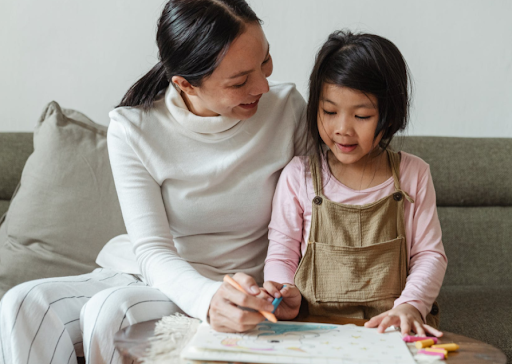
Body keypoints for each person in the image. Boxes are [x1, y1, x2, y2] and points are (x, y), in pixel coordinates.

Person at [0, 1, 307, 363]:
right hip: (154, 274)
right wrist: (207, 299)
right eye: (240, 81)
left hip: (237, 282)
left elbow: (316, 209)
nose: (263, 84)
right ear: (184, 84)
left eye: (265, 61)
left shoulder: (286, 108)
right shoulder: (133, 128)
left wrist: (284, 286)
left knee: (109, 313)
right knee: (21, 304)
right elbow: (152, 250)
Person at [261, 30, 448, 337]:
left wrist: (411, 305)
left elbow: (429, 255)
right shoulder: (299, 176)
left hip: (391, 330)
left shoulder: (413, 174)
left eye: (361, 115)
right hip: (313, 329)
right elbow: (281, 255)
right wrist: (283, 291)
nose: (342, 129)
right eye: (329, 112)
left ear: (389, 116)